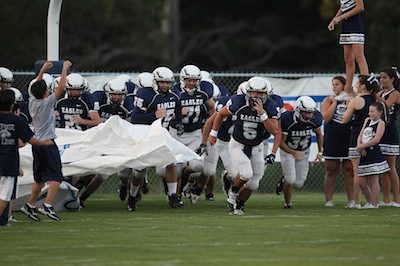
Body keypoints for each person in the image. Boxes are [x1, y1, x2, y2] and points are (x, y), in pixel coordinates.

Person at [208, 76, 281, 215]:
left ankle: (239, 204)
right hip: (238, 144)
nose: (257, 95)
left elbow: (274, 131)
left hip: (257, 146)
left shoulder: (270, 106)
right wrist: (213, 133)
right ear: (248, 92)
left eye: (260, 93)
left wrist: (262, 113)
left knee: (254, 184)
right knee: (246, 174)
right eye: (254, 92)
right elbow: (220, 115)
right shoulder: (238, 101)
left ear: (266, 93)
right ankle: (233, 191)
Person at [20, 60, 72, 222]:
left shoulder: (32, 102)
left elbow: (34, 86)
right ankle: (47, 205)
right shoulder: (46, 103)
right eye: (47, 90)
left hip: (37, 144)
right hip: (47, 143)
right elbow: (61, 88)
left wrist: (41, 71)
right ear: (44, 93)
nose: (50, 91)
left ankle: (30, 205)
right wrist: (64, 69)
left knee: (40, 179)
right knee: (57, 176)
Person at [131, 66, 184, 211]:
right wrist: (154, 115)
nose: (165, 85)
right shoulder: (146, 94)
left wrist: (178, 123)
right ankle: (132, 196)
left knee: (171, 162)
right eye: (162, 82)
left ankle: (173, 196)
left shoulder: (175, 95)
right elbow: (135, 118)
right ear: (155, 82)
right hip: (145, 135)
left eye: (168, 83)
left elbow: (178, 108)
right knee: (139, 170)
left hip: (162, 136)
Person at [0, 89, 53, 226]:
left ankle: (4, 220)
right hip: (8, 164)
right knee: (5, 196)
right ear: (12, 105)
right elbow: (30, 140)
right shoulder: (16, 121)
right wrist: (45, 142)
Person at [171, 64, 215, 204]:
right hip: (176, 133)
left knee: (197, 166)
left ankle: (185, 176)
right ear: (182, 79)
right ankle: (175, 196)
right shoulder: (174, 91)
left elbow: (212, 107)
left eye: (194, 80)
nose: (192, 83)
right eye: (189, 80)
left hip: (195, 133)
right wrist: (175, 114)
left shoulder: (204, 91)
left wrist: (209, 121)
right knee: (175, 168)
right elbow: (164, 112)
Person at [276, 96, 323, 209]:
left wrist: (320, 152)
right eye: (306, 112)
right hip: (288, 150)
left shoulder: (315, 119)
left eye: (310, 113)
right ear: (298, 110)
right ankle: (288, 203)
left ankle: (284, 180)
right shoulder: (287, 119)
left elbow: (319, 134)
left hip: (303, 151)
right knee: (290, 179)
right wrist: (293, 152)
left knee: (298, 183)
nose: (309, 115)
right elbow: (280, 142)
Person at [342, 73, 380, 209]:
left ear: (363, 86)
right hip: (371, 138)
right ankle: (373, 202)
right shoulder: (375, 99)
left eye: (357, 83)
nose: (355, 85)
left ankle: (356, 202)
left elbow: (344, 119)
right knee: (372, 174)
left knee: (357, 171)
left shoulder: (356, 101)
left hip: (357, 138)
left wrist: (348, 105)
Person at [321, 76, 354, 207]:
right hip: (332, 138)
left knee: (349, 170)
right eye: (333, 84)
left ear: (344, 86)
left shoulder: (351, 100)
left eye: (337, 84)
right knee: (331, 170)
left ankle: (351, 200)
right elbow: (327, 118)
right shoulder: (327, 100)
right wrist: (334, 103)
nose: (334, 87)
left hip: (348, 137)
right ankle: (328, 200)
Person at [328, 0, 369, 94]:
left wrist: (341, 17)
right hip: (346, 25)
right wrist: (334, 19)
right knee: (348, 59)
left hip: (355, 24)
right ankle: (348, 89)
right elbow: (343, 7)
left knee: (359, 57)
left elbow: (360, 7)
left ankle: (366, 86)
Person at [356, 102, 390, 208]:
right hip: (364, 153)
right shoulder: (367, 121)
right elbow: (360, 135)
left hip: (373, 153)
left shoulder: (381, 123)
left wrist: (363, 146)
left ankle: (374, 204)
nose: (370, 113)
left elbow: (376, 140)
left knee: (373, 179)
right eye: (369, 111)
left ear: (379, 112)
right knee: (361, 181)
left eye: (372, 111)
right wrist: (359, 146)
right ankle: (370, 201)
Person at [376, 67, 400, 207]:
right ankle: (385, 199)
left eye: (385, 77)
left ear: (392, 79)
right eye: (381, 77)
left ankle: (396, 199)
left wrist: (377, 97)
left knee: (391, 167)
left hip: (390, 131)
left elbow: (385, 106)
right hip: (380, 131)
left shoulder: (395, 93)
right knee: (383, 168)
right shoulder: (380, 92)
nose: (382, 80)